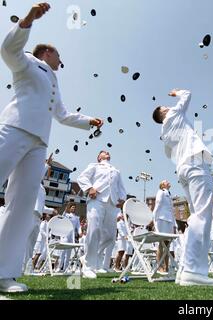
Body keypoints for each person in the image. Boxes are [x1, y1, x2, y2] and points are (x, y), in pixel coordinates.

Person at [0, 3, 103, 293]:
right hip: (14, 128)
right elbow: (7, 50)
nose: (61, 59)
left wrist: (88, 121)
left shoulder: (53, 80)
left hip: (38, 143)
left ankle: (4, 272)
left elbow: (62, 114)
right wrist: (29, 18)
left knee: (20, 206)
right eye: (58, 54)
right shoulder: (28, 62)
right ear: (47, 52)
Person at [152, 89, 213, 286]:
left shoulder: (164, 134)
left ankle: (186, 269)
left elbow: (169, 153)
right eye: (164, 107)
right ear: (163, 113)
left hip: (183, 168)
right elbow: (188, 94)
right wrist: (176, 93)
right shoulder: (173, 114)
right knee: (203, 215)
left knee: (195, 216)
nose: (168, 106)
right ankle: (194, 270)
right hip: (194, 164)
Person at [77, 151, 126, 279]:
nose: (107, 152)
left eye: (108, 152)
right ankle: (88, 266)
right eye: (103, 152)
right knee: (94, 230)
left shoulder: (116, 171)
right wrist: (89, 188)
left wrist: (122, 198)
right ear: (99, 157)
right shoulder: (94, 166)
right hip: (96, 199)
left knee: (110, 236)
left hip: (112, 203)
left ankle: (87, 256)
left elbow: (120, 187)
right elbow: (82, 177)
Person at [153, 180, 177, 273]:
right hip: (162, 219)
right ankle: (160, 266)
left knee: (167, 244)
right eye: (166, 181)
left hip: (169, 220)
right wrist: (154, 219)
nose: (168, 182)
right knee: (161, 243)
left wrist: (174, 225)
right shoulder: (161, 192)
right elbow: (157, 205)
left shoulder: (169, 195)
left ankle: (166, 267)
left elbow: (172, 211)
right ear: (162, 185)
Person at [59, 203, 82, 273]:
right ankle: (59, 267)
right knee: (63, 252)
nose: (73, 209)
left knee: (68, 253)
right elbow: (62, 217)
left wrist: (80, 232)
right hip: (65, 234)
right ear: (70, 208)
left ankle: (65, 268)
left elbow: (78, 226)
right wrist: (65, 210)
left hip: (72, 236)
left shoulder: (77, 217)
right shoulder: (66, 215)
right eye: (72, 207)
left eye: (74, 208)